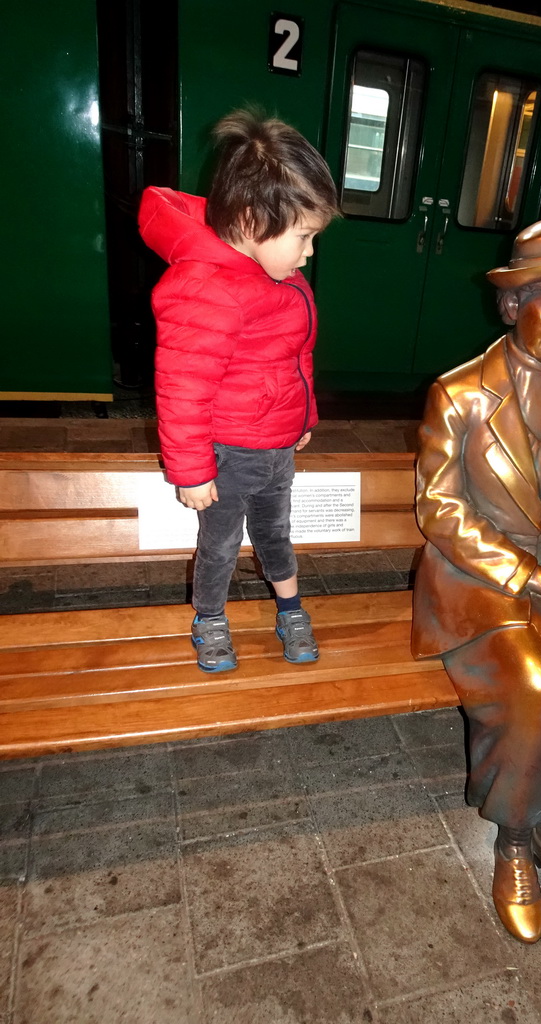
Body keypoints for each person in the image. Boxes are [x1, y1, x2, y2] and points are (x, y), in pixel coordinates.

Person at [412, 217, 541, 943]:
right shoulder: (460, 395)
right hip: (473, 580)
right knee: (535, 683)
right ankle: (511, 842)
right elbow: (439, 510)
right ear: (514, 305)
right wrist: (528, 573)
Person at [139, 110, 339, 672]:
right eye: (303, 236)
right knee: (220, 547)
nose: (309, 253)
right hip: (226, 453)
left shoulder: (283, 278)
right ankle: (209, 618)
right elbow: (182, 387)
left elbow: (297, 355)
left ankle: (291, 608)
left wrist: (302, 419)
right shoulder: (205, 287)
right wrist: (191, 470)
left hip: (274, 445)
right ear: (252, 220)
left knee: (277, 534)